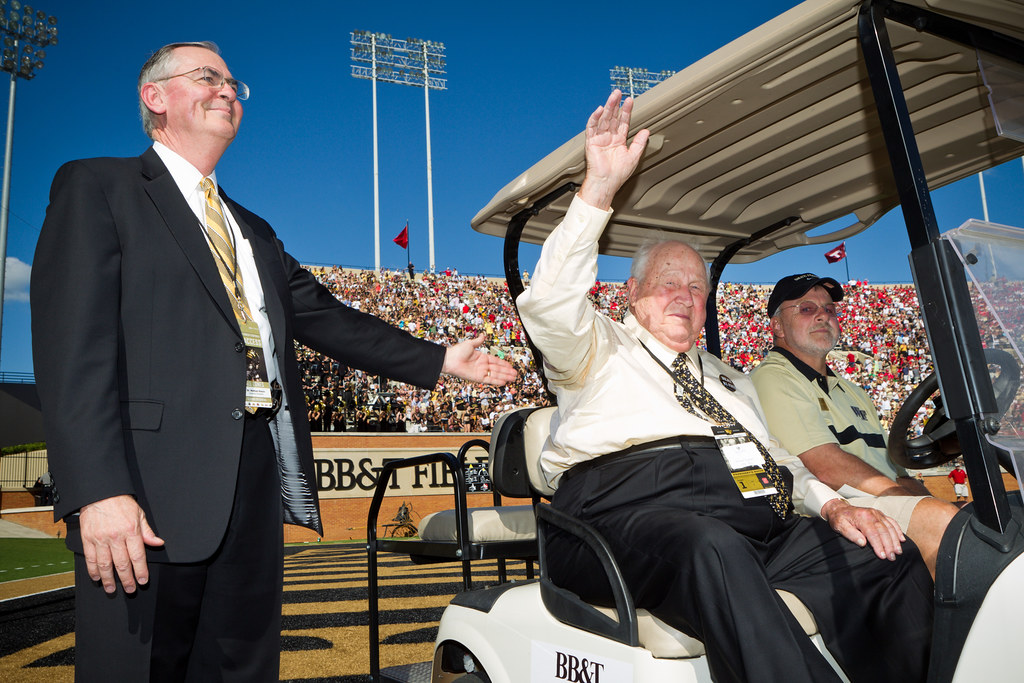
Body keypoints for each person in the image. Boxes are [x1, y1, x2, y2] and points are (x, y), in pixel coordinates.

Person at [30, 41, 515, 682]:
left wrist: (440, 359)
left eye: (234, 82)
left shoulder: (251, 229)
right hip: (147, 493)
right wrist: (97, 491)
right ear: (155, 98)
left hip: (253, 484)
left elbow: (328, 319)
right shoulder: (98, 186)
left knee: (242, 668)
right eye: (208, 77)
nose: (228, 90)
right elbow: (72, 350)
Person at [516, 90, 932, 683]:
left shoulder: (727, 379)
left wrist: (836, 505)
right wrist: (598, 193)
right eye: (669, 284)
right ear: (632, 295)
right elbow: (550, 303)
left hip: (750, 517)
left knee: (887, 556)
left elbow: (773, 461)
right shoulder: (596, 348)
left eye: (697, 288)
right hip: (617, 517)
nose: (686, 296)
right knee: (713, 547)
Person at [750, 273, 959, 578]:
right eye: (806, 309)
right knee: (942, 522)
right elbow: (825, 465)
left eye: (830, 310)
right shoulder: (772, 378)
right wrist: (909, 500)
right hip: (835, 509)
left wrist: (920, 497)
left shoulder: (854, 392)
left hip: (877, 501)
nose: (823, 315)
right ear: (777, 326)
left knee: (975, 519)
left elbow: (898, 472)